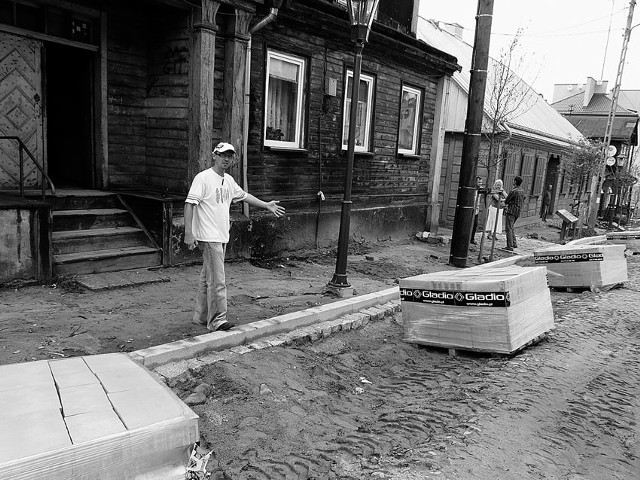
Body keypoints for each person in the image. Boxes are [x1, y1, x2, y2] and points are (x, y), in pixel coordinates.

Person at [184, 142, 286, 332]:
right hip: (209, 236)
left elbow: (245, 195)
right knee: (218, 280)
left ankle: (200, 316)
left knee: (209, 276)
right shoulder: (203, 178)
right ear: (214, 155)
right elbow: (189, 204)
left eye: (230, 156)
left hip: (221, 236)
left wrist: (266, 205)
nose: (226, 159)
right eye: (223, 155)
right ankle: (217, 320)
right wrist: (189, 233)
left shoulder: (228, 181)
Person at [504, 176, 525, 251]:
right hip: (517, 211)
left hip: (511, 211)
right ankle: (514, 243)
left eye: (513, 180)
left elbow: (507, 200)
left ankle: (510, 245)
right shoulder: (522, 191)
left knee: (508, 228)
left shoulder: (514, 191)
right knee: (511, 227)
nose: (513, 181)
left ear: (515, 182)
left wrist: (510, 202)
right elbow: (523, 198)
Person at [470, 176, 487, 245]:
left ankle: (472, 238)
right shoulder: (472, 190)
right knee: (469, 224)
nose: (480, 184)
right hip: (471, 209)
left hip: (476, 210)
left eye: (481, 182)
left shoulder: (481, 190)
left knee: (475, 224)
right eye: (479, 182)